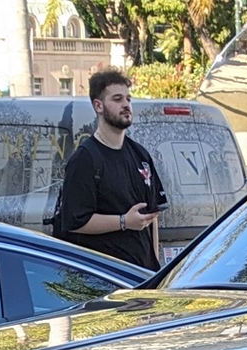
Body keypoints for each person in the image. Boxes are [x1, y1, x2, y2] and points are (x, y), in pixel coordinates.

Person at [54, 68, 167, 271]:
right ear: (98, 105)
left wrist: (155, 269)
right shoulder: (85, 159)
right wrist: (124, 222)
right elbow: (75, 221)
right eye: (117, 99)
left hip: (142, 277)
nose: (126, 105)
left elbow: (152, 217)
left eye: (128, 99)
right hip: (104, 278)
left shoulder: (140, 155)